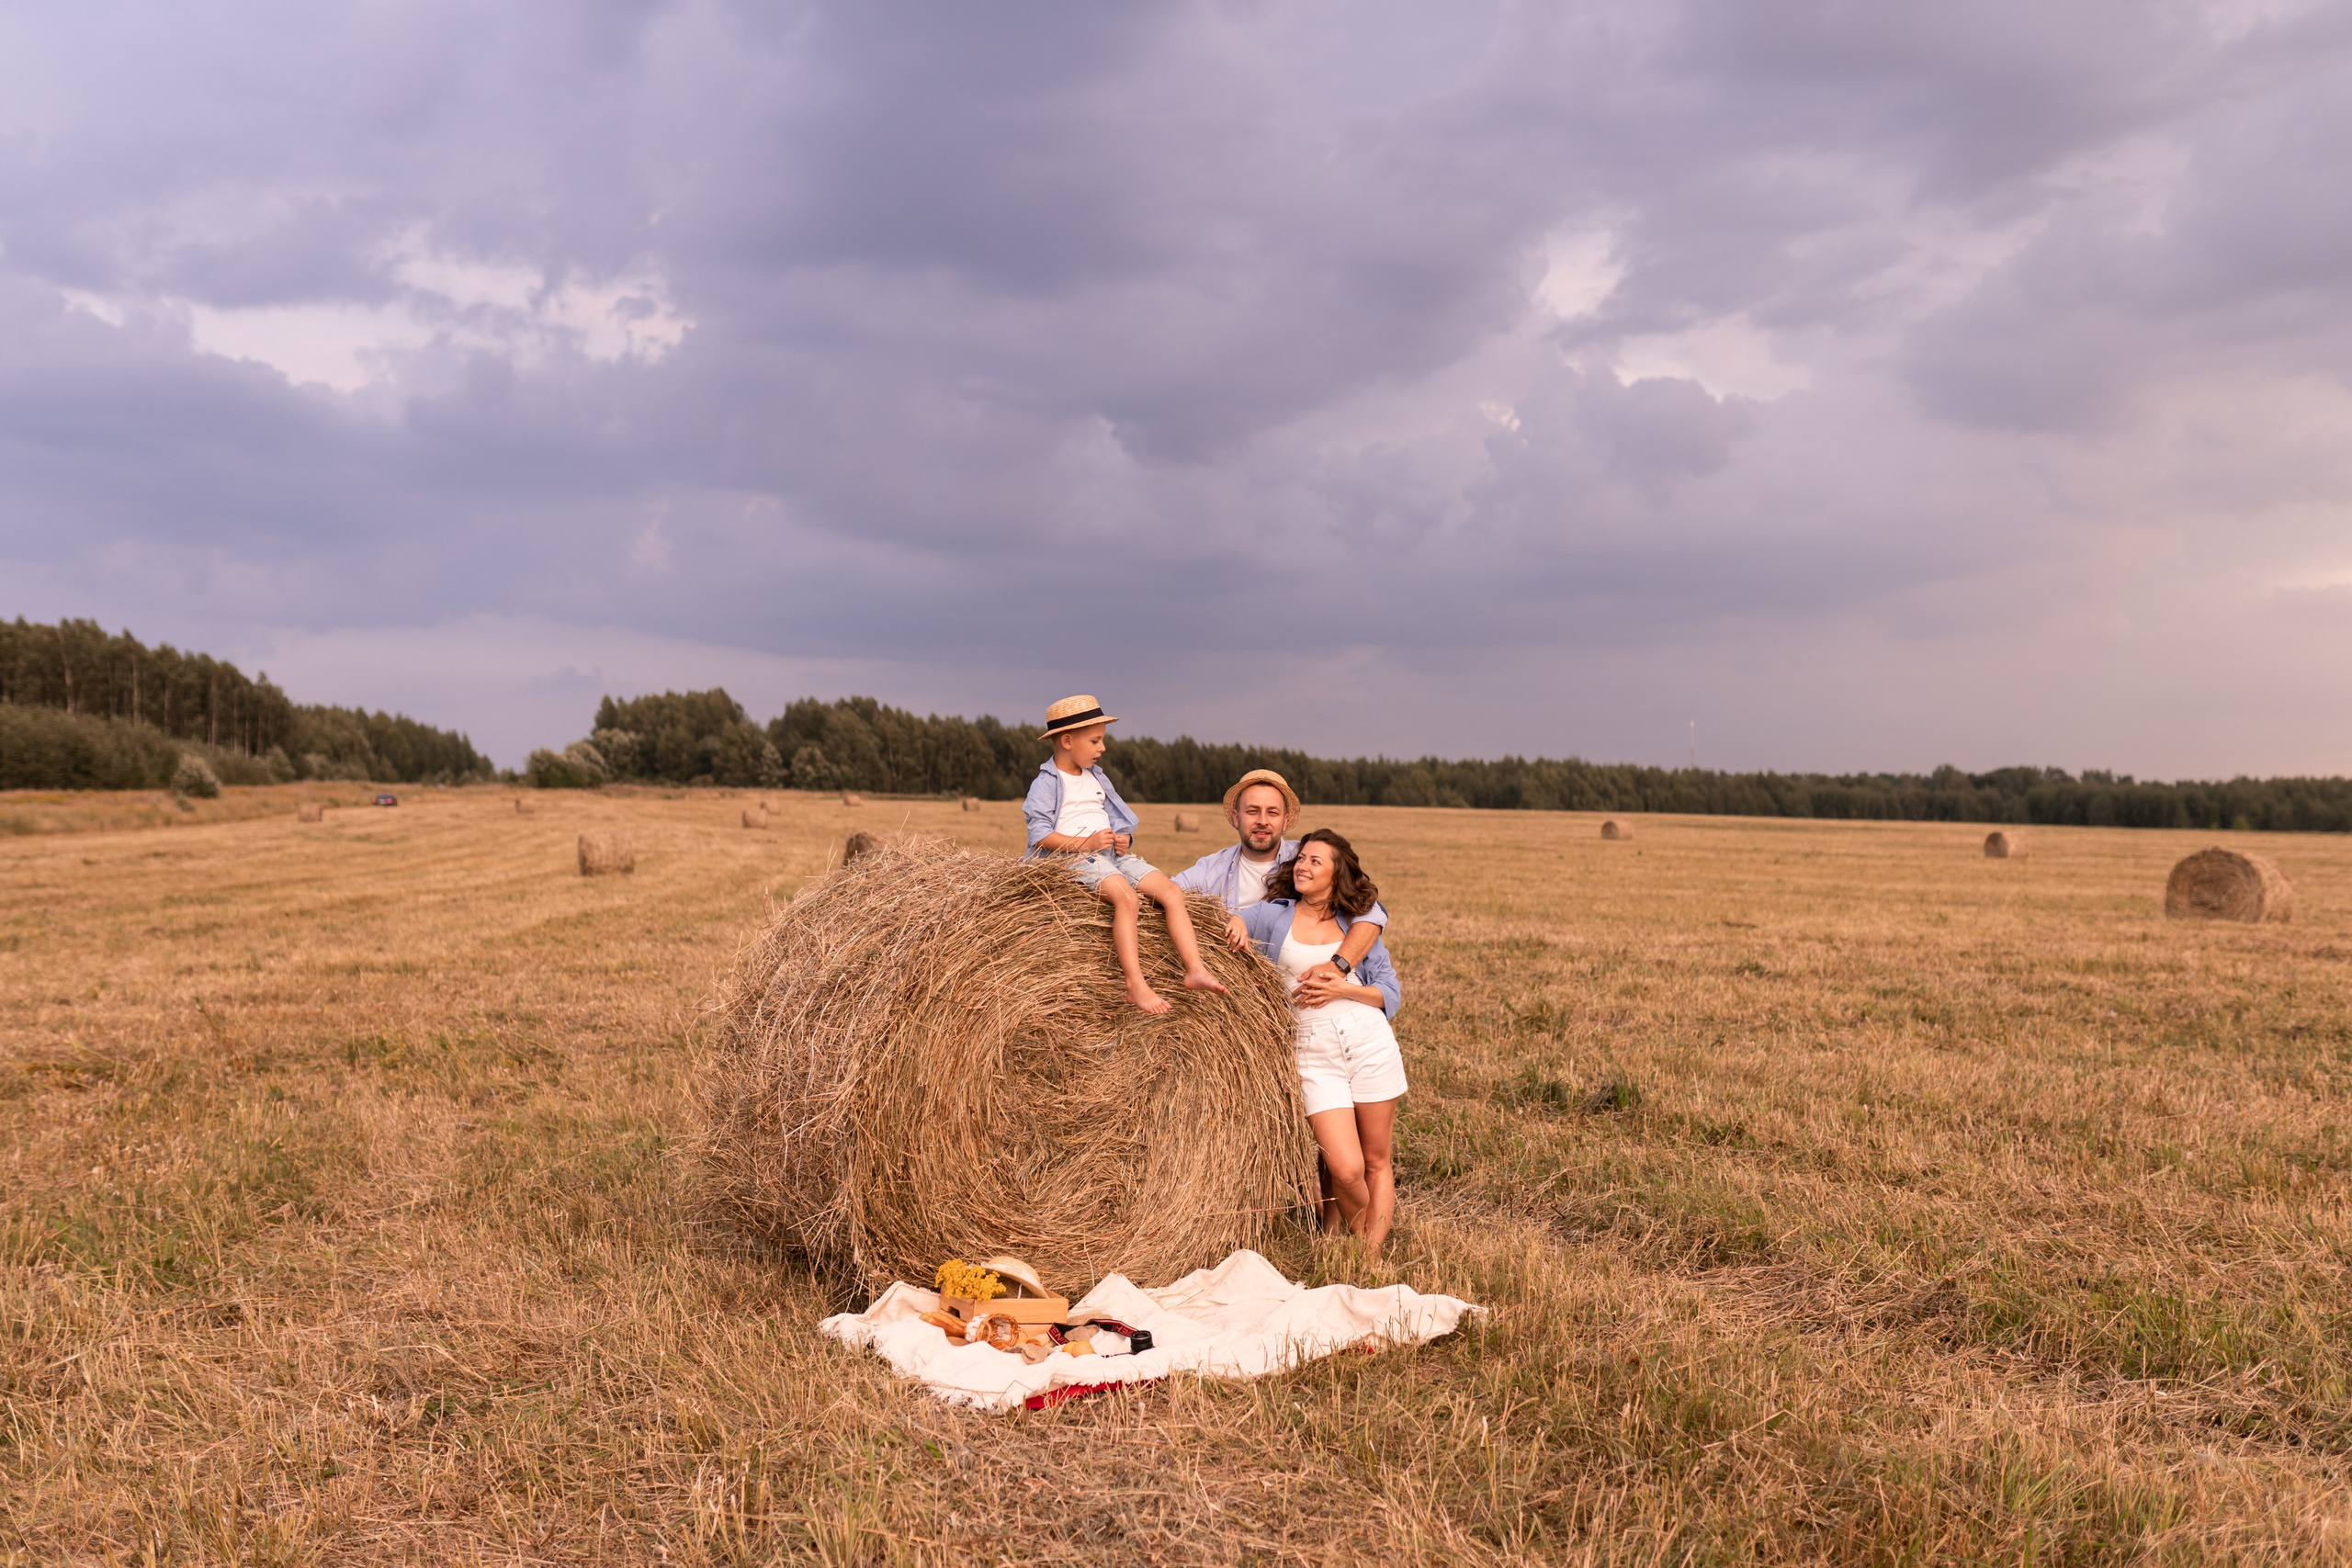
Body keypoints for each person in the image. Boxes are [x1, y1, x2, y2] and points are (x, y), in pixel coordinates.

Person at [1231, 829, 1406, 1253]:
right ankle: (1365, 1236)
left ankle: (1369, 1258)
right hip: (1311, 1049)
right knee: (1345, 1169)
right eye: (1302, 859)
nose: (1303, 866)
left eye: (1315, 861)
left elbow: (1390, 993)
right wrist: (1236, 920)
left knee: (1376, 1161)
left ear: (1336, 873)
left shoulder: (1358, 925)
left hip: (1366, 1039)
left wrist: (1342, 987)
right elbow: (1233, 920)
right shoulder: (1273, 913)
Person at [1023, 694, 1226, 1015]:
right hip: (1073, 860)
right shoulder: (1047, 783)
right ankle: (1135, 984)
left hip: (1110, 857)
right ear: (1066, 740)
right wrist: (1086, 844)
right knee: (1127, 899)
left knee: (1172, 892)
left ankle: (1195, 968)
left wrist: (1122, 840)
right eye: (1095, 740)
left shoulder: (1095, 777)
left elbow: (1110, 818)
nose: (1102, 747)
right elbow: (1040, 836)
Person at [1170, 767, 1385, 987]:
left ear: (1285, 820)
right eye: (1252, 811)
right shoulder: (1211, 869)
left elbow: (1371, 912)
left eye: (1272, 813)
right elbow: (1168, 893)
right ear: (1236, 818)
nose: (1262, 821)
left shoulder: (1304, 861)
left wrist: (1338, 966)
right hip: (1234, 982)